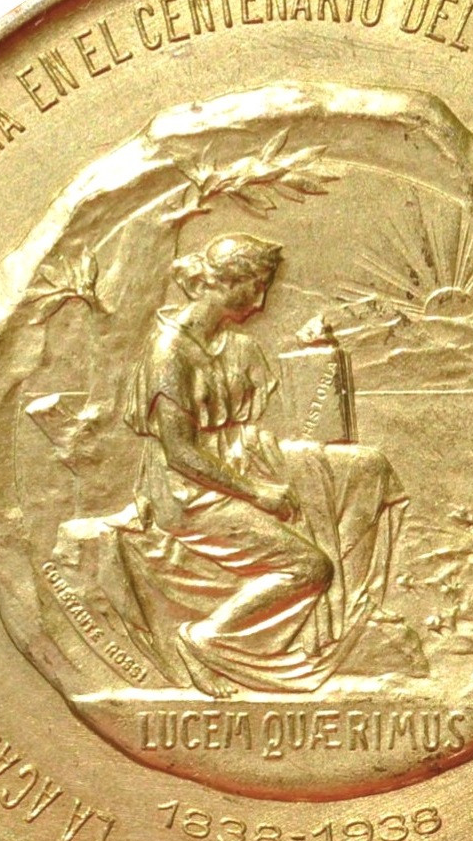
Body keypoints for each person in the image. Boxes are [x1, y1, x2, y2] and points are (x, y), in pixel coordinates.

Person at [123, 233, 407, 696]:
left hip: (242, 456)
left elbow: (255, 420)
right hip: (188, 492)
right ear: (224, 283)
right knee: (309, 567)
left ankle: (356, 608)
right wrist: (258, 493)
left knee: (367, 468)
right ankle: (206, 638)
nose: (260, 301)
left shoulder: (230, 344)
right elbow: (180, 453)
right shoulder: (169, 352)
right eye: (255, 287)